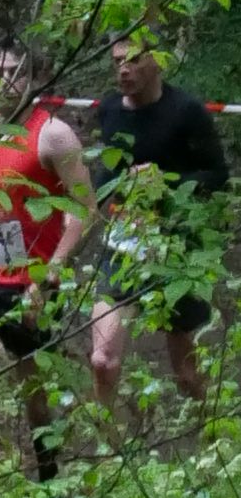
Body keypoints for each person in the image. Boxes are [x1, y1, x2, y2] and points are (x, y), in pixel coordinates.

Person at [0, 45, 91, 477]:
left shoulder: (52, 134)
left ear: (34, 76)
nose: (6, 81)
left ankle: (49, 476)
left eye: (15, 72)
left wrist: (50, 274)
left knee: (35, 397)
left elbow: (85, 209)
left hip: (31, 287)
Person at [88, 39, 228, 421]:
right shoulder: (109, 109)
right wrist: (117, 189)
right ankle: (107, 445)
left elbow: (218, 176)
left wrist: (164, 182)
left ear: (157, 62)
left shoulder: (187, 111)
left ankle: (210, 435)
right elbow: (105, 178)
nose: (124, 70)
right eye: (117, 61)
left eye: (133, 60)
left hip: (176, 247)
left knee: (187, 374)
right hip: (124, 244)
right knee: (102, 360)